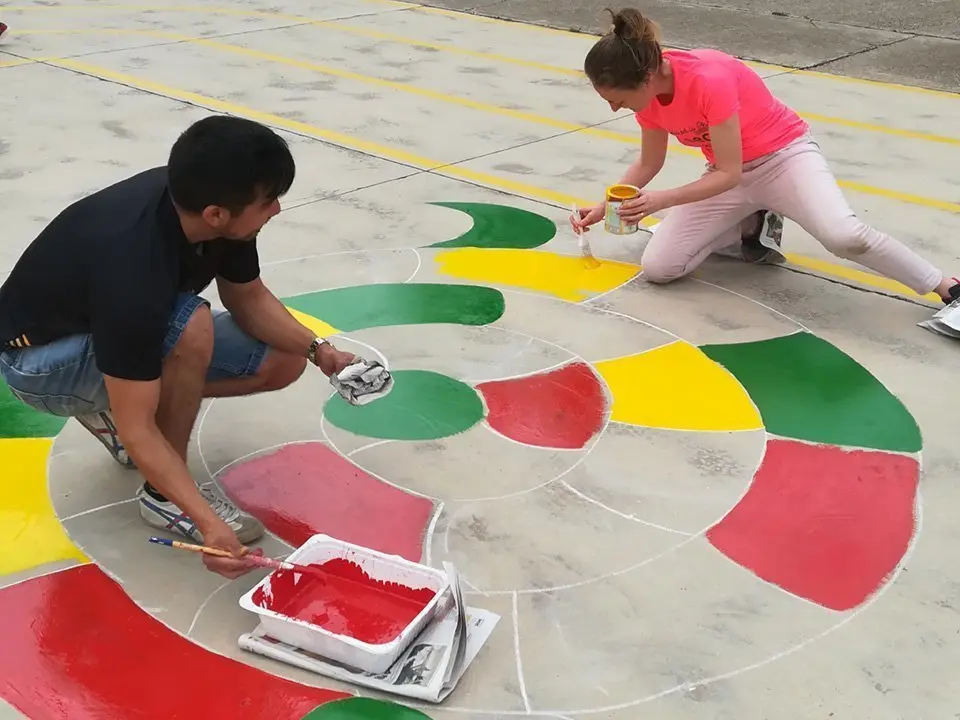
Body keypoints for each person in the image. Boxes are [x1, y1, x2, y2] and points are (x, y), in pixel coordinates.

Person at [0, 115, 358, 578]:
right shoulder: (132, 266)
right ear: (216, 214)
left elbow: (247, 297)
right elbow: (139, 427)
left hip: (104, 335)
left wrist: (319, 351)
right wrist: (210, 526)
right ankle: (164, 495)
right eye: (268, 201)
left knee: (284, 358)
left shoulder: (212, 210)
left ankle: (120, 403)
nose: (276, 211)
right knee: (190, 326)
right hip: (40, 366)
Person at [572, 7, 960, 305]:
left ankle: (945, 285)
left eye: (616, 100)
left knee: (843, 236)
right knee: (659, 268)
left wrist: (661, 200)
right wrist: (605, 205)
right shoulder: (648, 99)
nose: (614, 109)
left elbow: (728, 172)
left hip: (784, 159)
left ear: (644, 78)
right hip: (730, 174)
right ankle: (749, 222)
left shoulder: (710, 77)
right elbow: (649, 163)